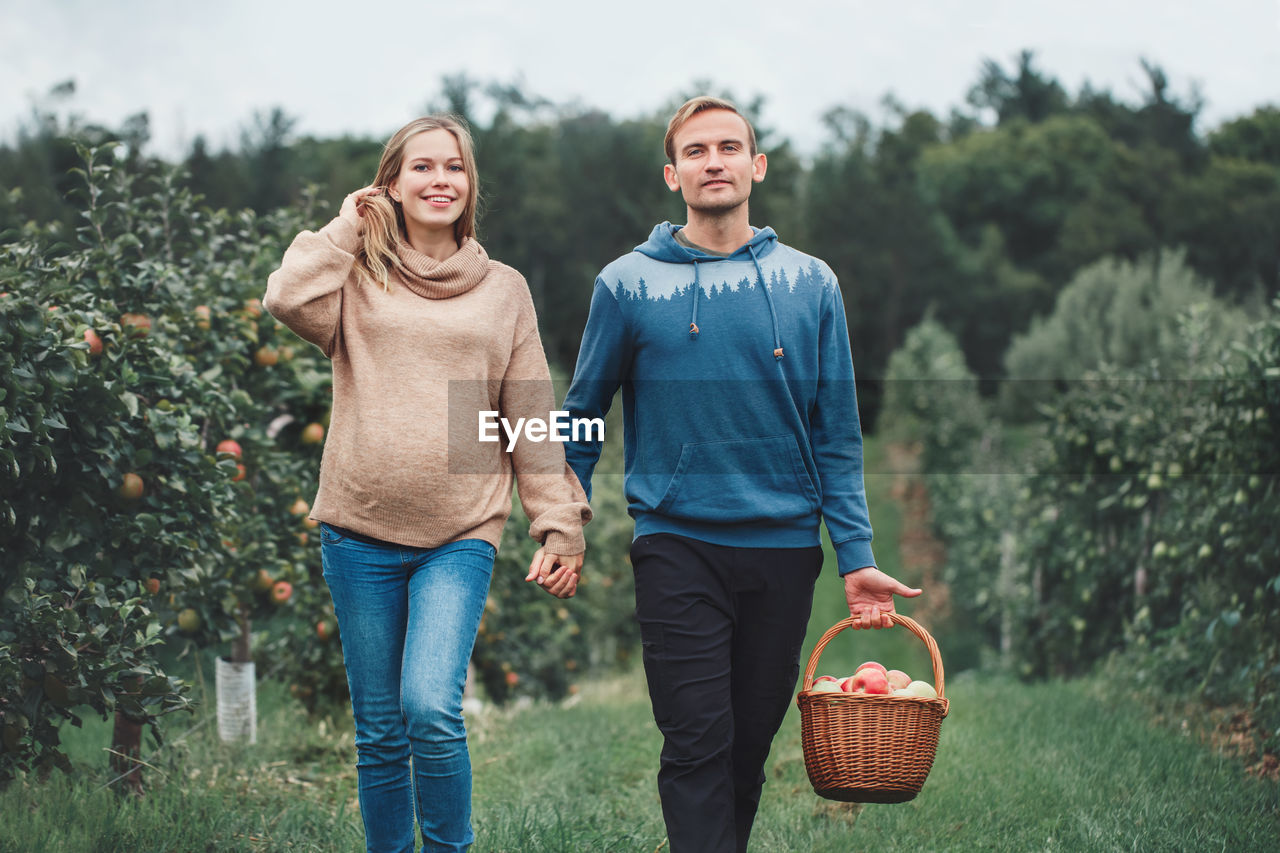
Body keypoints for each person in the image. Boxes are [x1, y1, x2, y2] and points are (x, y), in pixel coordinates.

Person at [560, 96, 921, 853]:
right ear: (673, 174)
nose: (713, 161)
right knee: (696, 739)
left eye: (729, 147)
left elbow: (838, 433)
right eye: (696, 151)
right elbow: (584, 410)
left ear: (756, 167)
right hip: (675, 540)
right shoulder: (626, 284)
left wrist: (857, 558)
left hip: (785, 546)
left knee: (748, 746)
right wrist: (566, 516)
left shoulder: (812, 284)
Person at [263, 115, 590, 853]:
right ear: (393, 182)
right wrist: (349, 223)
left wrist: (560, 522)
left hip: (459, 534)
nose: (440, 179)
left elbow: (529, 415)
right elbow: (285, 298)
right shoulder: (358, 277)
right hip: (357, 530)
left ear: (470, 185)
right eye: (422, 167)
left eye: (455, 168)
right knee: (380, 730)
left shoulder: (504, 291)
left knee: (429, 708)